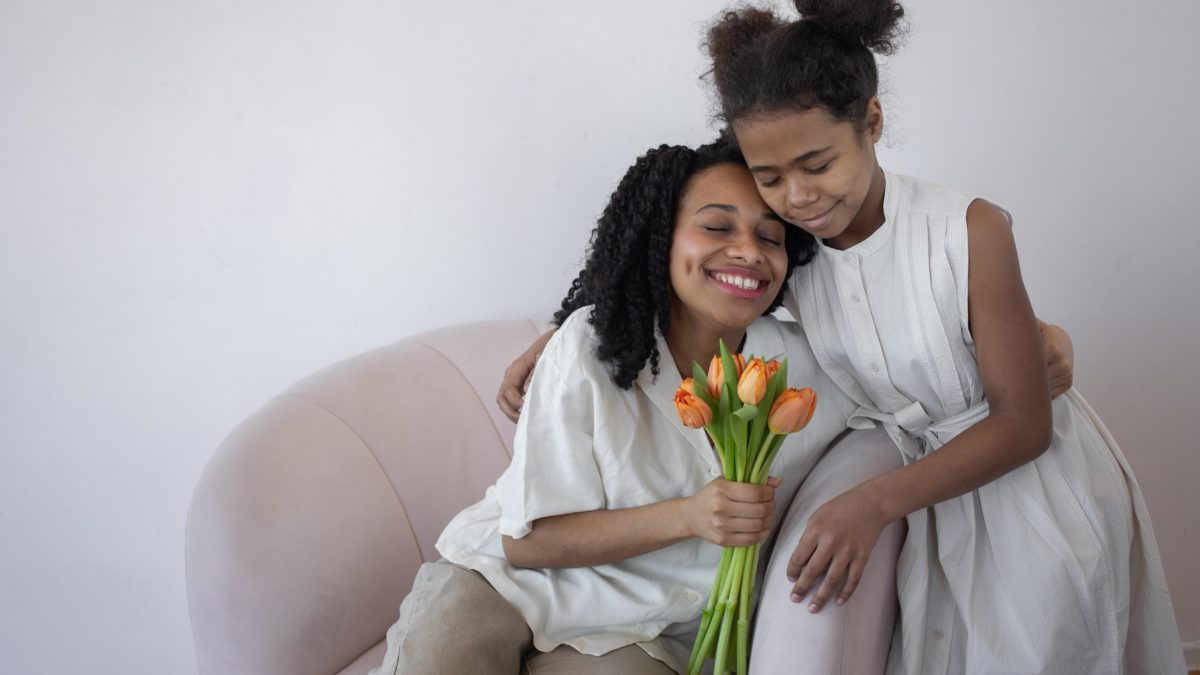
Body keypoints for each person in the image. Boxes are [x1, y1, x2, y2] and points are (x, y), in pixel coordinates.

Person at [697, 1, 1183, 672]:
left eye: (817, 164)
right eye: (770, 176)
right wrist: (563, 336)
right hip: (931, 499)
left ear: (871, 122)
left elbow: (1024, 425)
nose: (797, 196)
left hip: (1029, 496)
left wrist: (870, 501)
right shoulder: (790, 255)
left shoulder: (968, 230)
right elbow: (677, 281)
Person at [370, 139, 907, 675]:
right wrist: (691, 516)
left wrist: (868, 504)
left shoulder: (805, 369)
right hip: (502, 581)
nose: (749, 251)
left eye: (771, 236)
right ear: (661, 240)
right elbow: (525, 543)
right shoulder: (588, 345)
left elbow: (916, 409)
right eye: (717, 227)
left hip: (645, 627)